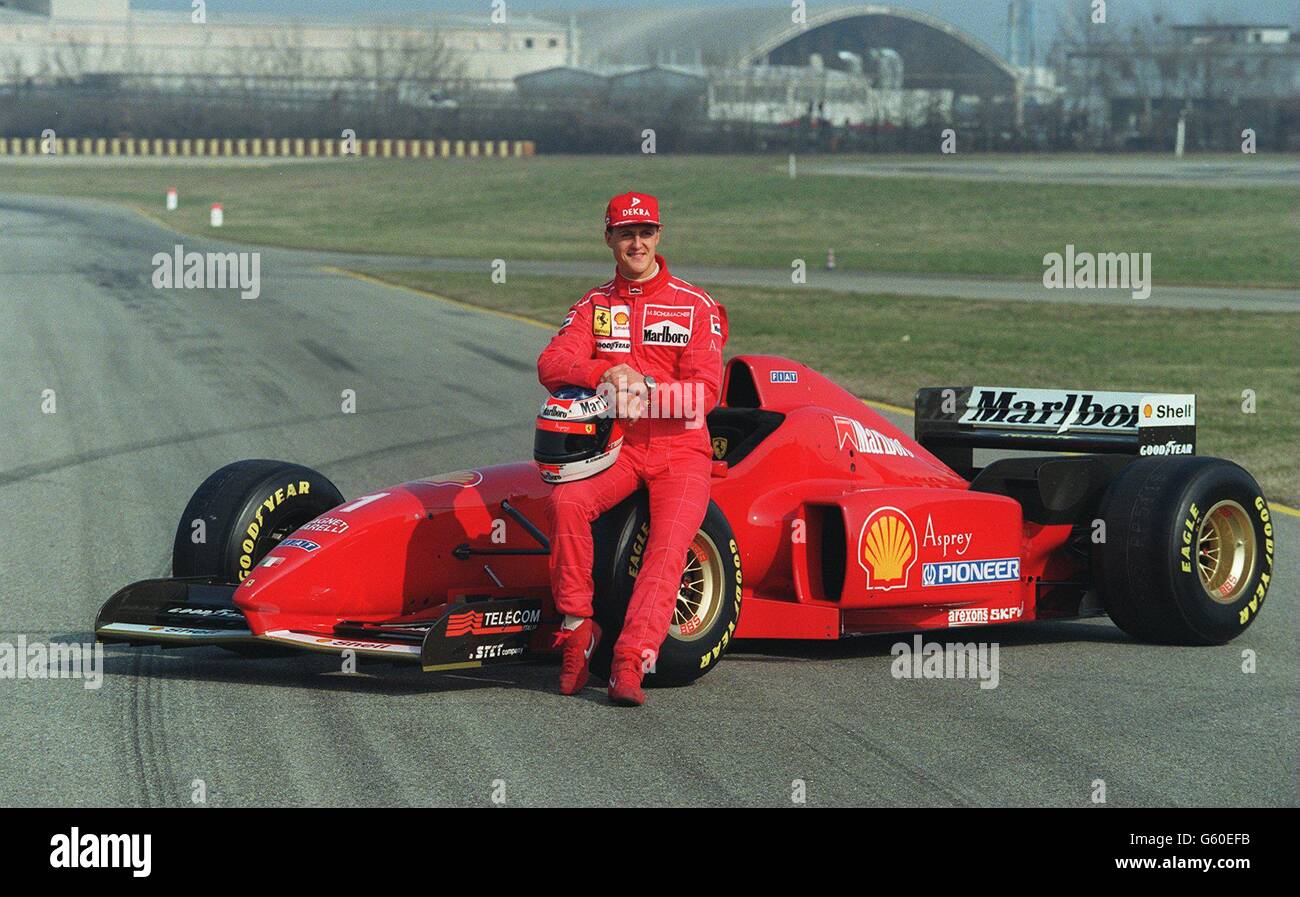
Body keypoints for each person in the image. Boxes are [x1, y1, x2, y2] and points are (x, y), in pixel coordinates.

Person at [537, 191, 728, 706]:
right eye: (626, 233)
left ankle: (631, 658)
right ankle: (579, 629)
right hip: (616, 450)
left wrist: (638, 391)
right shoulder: (594, 305)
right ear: (609, 239)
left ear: (659, 236)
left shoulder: (696, 305)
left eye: (645, 232)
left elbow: (705, 394)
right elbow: (551, 365)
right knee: (566, 502)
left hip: (682, 452)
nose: (636, 242)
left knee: (668, 550)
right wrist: (604, 372)